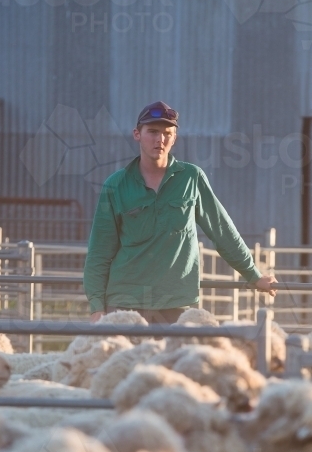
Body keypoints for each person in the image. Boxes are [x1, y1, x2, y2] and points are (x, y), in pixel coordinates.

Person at [83, 101, 277, 323]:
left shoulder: (191, 178)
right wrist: (96, 305)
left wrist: (252, 274)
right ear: (137, 134)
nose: (160, 139)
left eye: (167, 133)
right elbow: (99, 250)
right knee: (124, 359)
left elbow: (221, 230)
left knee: (178, 359)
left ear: (175, 138)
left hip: (178, 304)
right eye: (152, 132)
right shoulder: (115, 185)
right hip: (125, 304)